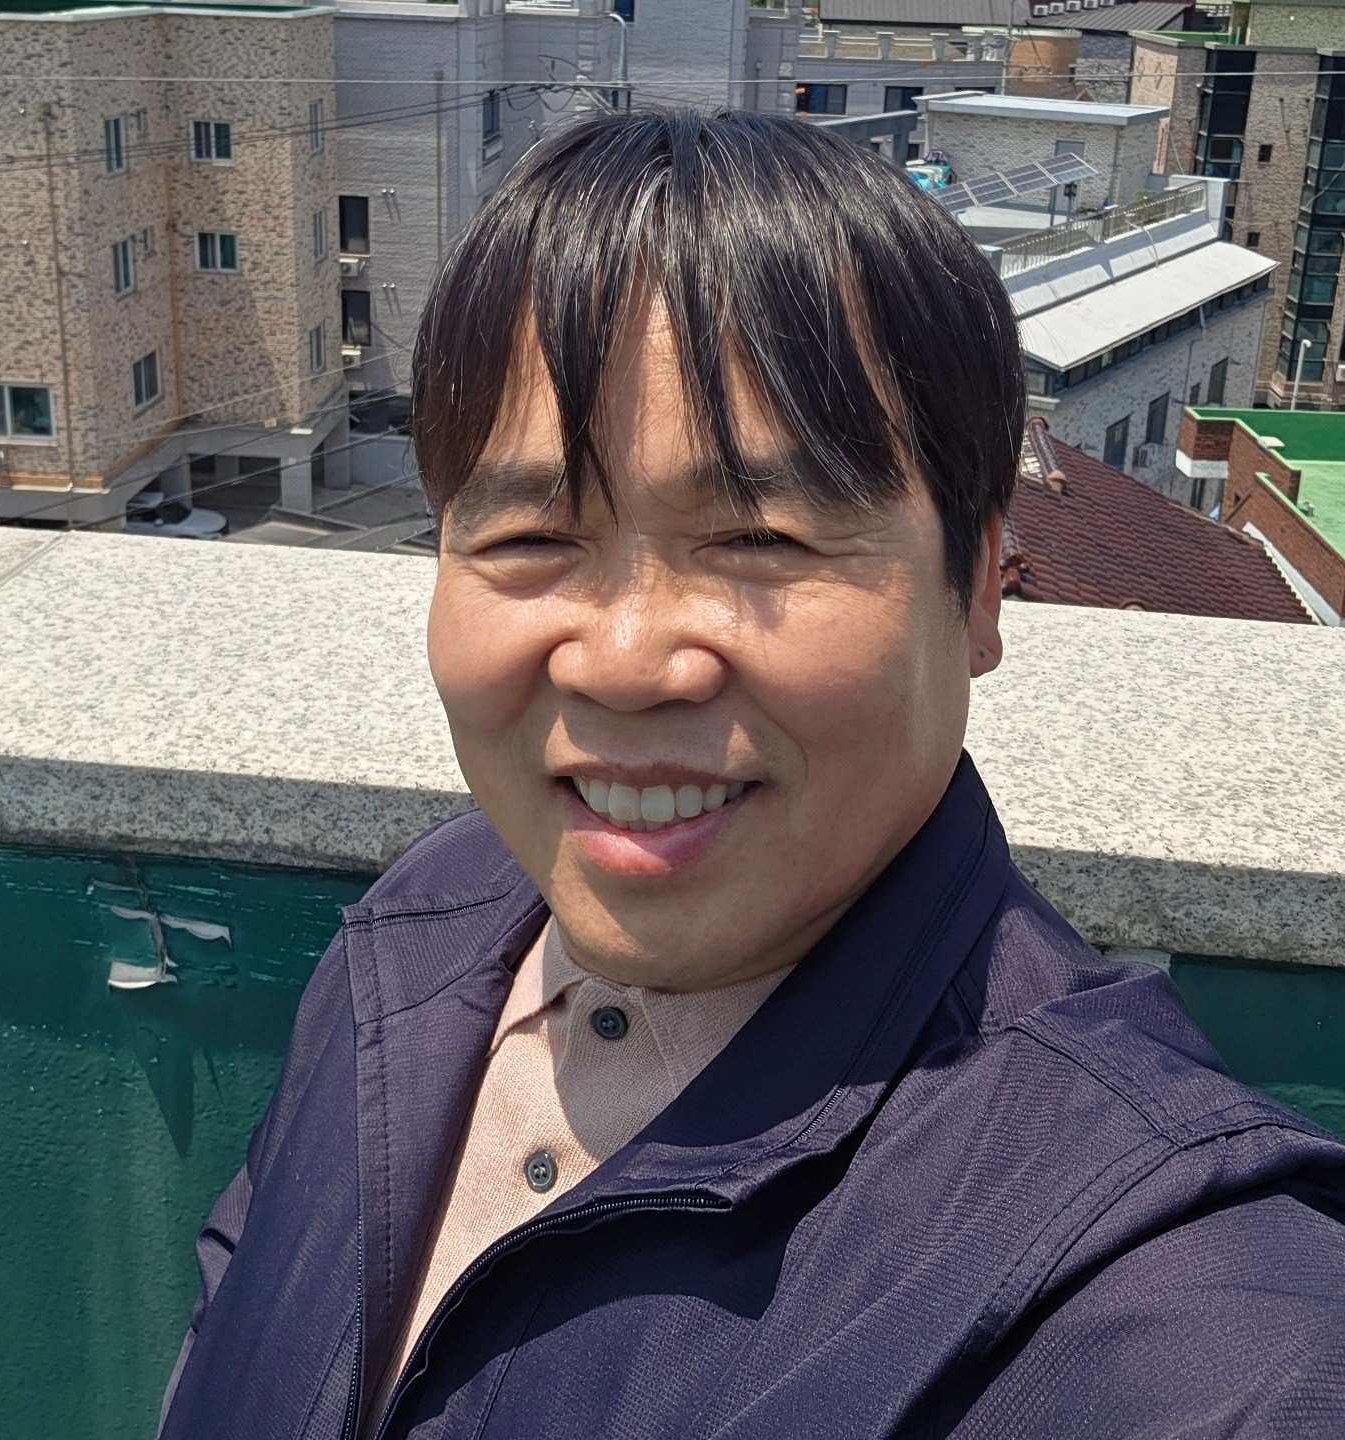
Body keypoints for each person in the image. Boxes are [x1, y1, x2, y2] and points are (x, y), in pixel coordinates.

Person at [158, 111, 1345, 1440]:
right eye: (532, 535)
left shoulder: (1183, 1319)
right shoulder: (416, 940)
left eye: (762, 539)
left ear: (976, 588)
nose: (623, 663)